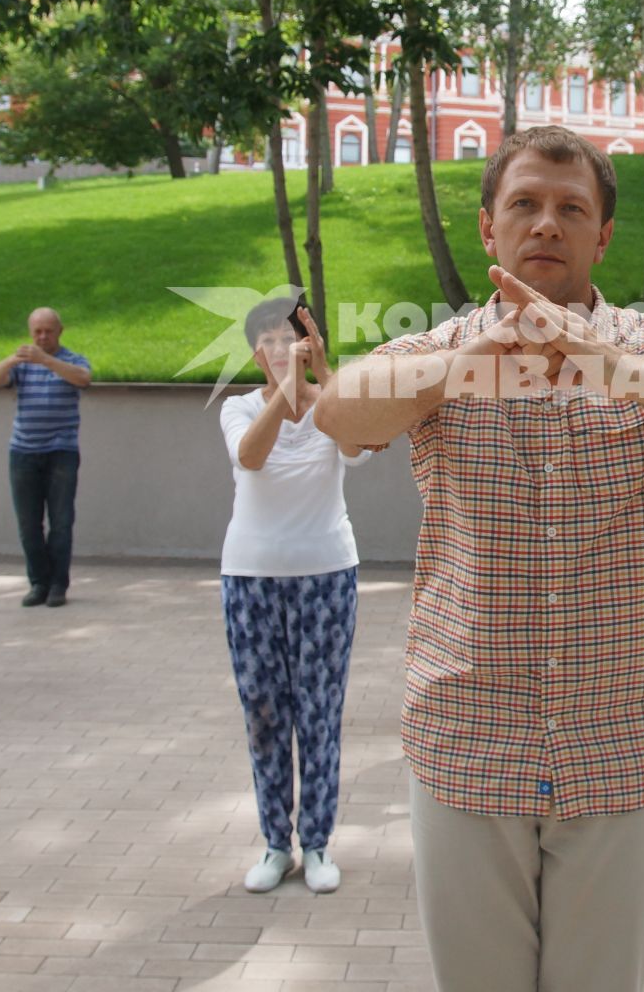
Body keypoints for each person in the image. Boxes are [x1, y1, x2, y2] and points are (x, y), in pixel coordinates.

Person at [316, 125, 644, 992]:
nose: (546, 225)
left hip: (618, 739)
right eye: (523, 204)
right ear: (487, 227)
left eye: (572, 209)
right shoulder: (436, 351)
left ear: (603, 235)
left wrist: (606, 363)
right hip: (469, 735)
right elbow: (341, 414)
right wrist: (470, 361)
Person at [218, 296, 376, 895]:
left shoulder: (330, 403)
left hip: (327, 575)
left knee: (319, 713)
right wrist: (288, 390)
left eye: (296, 338)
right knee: (263, 713)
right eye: (274, 341)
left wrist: (325, 377)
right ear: (258, 353)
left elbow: (357, 445)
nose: (286, 350)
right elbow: (251, 457)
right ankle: (274, 844)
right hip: (250, 578)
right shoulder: (238, 408)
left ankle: (316, 844)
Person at [0, 308, 93, 607]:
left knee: (61, 521)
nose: (43, 337)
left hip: (62, 452)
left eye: (48, 331)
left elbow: (83, 379)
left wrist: (47, 360)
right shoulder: (22, 363)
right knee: (28, 523)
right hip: (23, 452)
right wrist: (11, 359)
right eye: (37, 332)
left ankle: (59, 584)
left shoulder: (71, 360)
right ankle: (38, 583)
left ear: (60, 331)